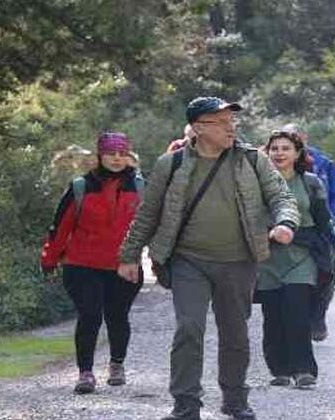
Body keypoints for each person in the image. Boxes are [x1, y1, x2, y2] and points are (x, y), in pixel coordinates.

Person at [118, 97, 300, 420]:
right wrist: (129, 255)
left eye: (233, 121)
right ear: (199, 128)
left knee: (235, 333)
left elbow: (280, 197)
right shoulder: (170, 164)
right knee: (189, 328)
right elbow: (147, 214)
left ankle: (235, 399)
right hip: (189, 260)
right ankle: (186, 404)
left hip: (239, 260)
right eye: (222, 122)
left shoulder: (252, 159)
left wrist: (286, 223)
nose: (232, 127)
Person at [40, 132, 143, 394]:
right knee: (90, 315)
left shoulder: (139, 187)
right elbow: (60, 227)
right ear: (100, 156)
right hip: (82, 265)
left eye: (122, 153)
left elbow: (149, 225)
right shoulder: (81, 187)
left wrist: (157, 260)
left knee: (118, 316)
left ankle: (117, 364)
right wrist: (50, 259)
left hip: (124, 265)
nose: (117, 159)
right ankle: (85, 373)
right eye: (111, 153)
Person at [255, 130, 332, 388]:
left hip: (302, 257)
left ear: (297, 153)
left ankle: (304, 370)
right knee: (273, 315)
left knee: (297, 313)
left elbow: (323, 220)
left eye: (285, 148)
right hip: (267, 258)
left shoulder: (310, 182)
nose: (279, 153)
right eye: (274, 148)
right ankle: (280, 369)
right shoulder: (256, 182)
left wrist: (332, 251)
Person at [280, 123, 335, 342]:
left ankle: (318, 317)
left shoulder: (325, 164)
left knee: (326, 275)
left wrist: (330, 219)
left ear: (304, 139)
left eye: (296, 137)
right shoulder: (271, 164)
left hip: (321, 230)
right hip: (288, 231)